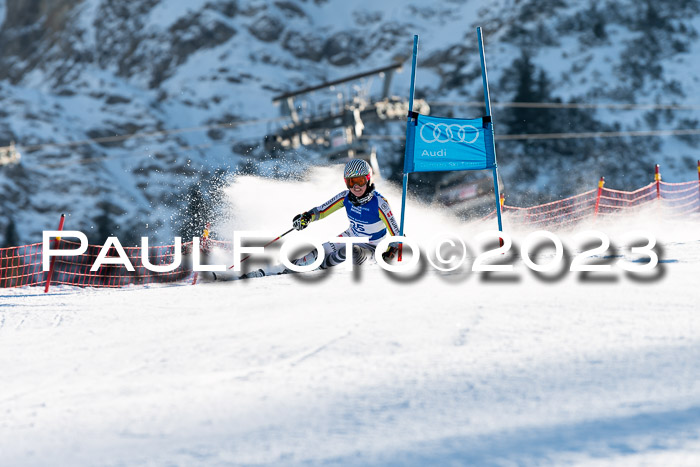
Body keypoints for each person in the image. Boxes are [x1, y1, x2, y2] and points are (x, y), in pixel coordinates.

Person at [240, 159, 400, 279]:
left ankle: (316, 268)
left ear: (368, 179)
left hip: (372, 248)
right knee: (318, 251)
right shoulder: (346, 197)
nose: (356, 187)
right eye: (351, 182)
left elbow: (398, 236)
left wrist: (390, 252)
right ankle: (282, 270)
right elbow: (322, 210)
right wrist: (307, 217)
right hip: (350, 236)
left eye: (360, 181)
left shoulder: (380, 204)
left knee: (350, 251)